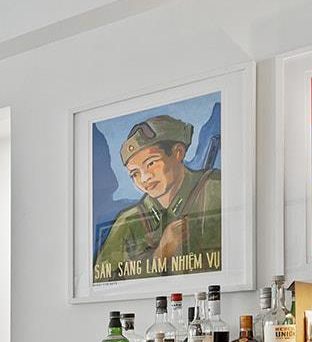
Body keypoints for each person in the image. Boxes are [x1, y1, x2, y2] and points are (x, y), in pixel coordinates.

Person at [94, 114, 221, 279]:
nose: (144, 178)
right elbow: (100, 280)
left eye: (151, 163)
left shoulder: (216, 189)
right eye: (135, 173)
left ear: (178, 152)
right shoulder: (128, 222)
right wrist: (160, 254)